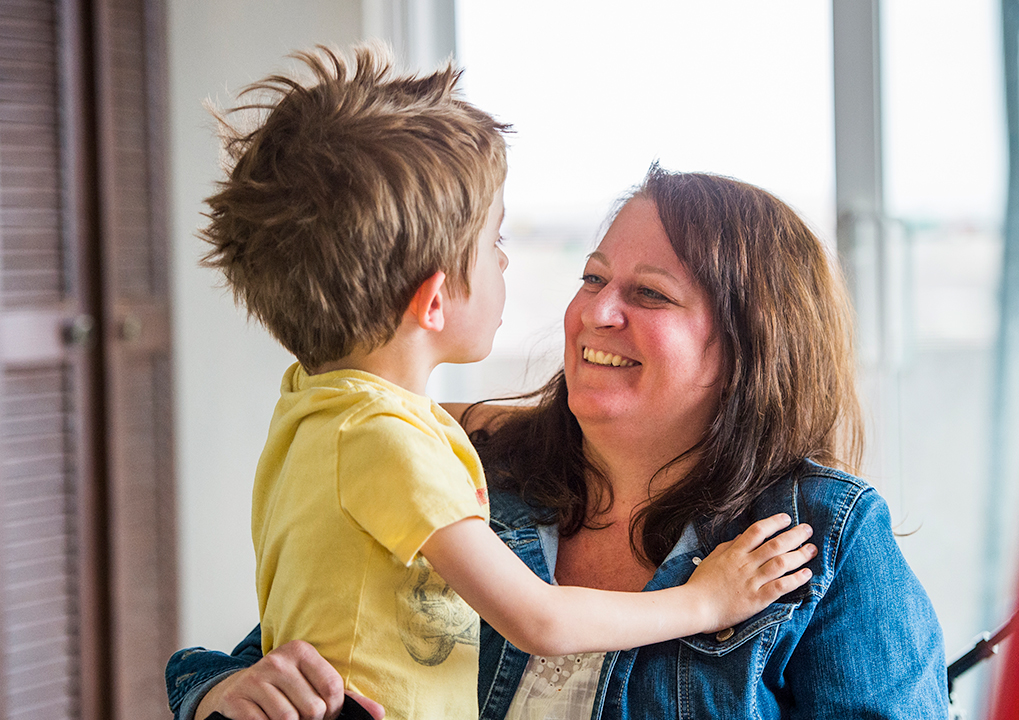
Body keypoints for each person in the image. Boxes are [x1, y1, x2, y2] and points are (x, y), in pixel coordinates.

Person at [168, 165, 950, 720]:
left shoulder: (826, 536)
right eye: (591, 278)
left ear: (749, 350)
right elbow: (261, 656)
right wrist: (217, 697)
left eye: (648, 294)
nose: (595, 313)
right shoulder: (474, 472)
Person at [191, 44, 821, 720]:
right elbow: (541, 624)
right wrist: (708, 601)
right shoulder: (387, 447)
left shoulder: (320, 411)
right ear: (433, 302)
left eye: (650, 294)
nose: (505, 262)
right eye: (494, 242)